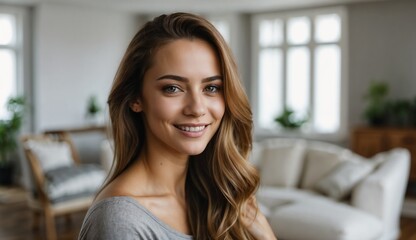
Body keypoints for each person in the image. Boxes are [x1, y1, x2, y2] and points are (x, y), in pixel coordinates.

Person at [78, 12, 276, 240]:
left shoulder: (216, 196)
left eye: (211, 88)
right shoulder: (120, 222)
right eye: (173, 88)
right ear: (136, 98)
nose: (197, 108)